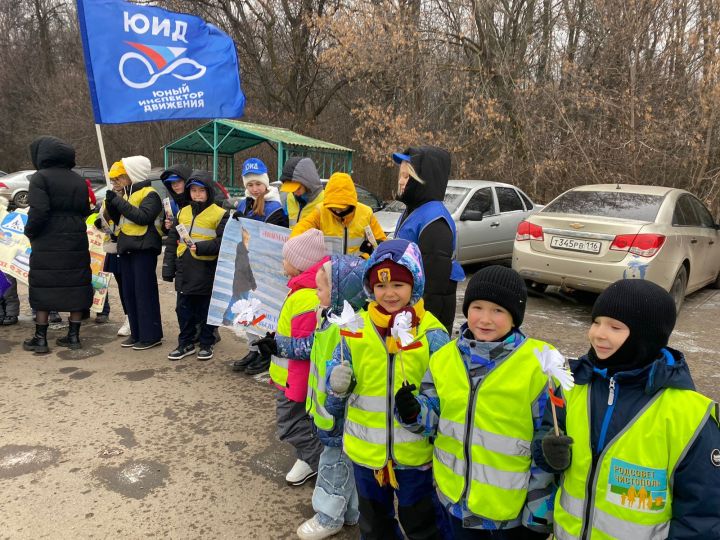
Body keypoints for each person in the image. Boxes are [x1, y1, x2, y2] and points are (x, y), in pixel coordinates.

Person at [533, 279, 720, 539]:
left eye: (615, 327)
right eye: (596, 322)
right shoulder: (574, 385)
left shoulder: (688, 414)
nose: (598, 333)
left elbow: (702, 516)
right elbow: (549, 431)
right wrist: (547, 450)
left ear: (646, 336)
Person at [397, 266, 554, 539]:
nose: (484, 319)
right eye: (477, 307)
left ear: (515, 317)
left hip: (508, 513)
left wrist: (538, 516)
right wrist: (413, 413)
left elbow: (547, 445)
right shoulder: (444, 358)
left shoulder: (538, 364)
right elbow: (433, 423)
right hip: (454, 501)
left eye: (498, 311)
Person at [326, 239, 451, 540]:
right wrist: (336, 385)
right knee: (375, 525)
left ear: (415, 285)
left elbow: (448, 395)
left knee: (422, 522)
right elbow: (335, 377)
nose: (389, 293)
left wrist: (422, 409)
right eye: (380, 286)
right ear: (370, 288)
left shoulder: (432, 333)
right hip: (366, 453)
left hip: (415, 456)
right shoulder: (354, 327)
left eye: (398, 283)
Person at [264, 254, 366, 539]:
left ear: (338, 294)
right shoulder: (329, 318)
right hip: (326, 409)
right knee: (342, 465)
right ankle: (350, 512)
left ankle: (328, 517)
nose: (315, 293)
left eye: (320, 289)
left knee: (333, 466)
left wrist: (334, 406)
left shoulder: (350, 330)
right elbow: (309, 347)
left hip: (337, 414)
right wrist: (277, 345)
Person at [23, 136, 93, 353]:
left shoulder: (39, 178)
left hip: (48, 237)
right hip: (75, 237)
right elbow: (85, 209)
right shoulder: (78, 179)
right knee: (76, 285)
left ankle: (40, 339)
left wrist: (30, 232)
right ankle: (73, 337)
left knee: (44, 284)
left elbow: (39, 211)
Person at [270, 228, 328, 487]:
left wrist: (275, 346)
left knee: (290, 425)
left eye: (286, 258)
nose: (282, 262)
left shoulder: (306, 296)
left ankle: (327, 470)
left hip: (296, 382)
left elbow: (307, 347)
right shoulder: (302, 288)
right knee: (303, 422)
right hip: (290, 378)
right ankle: (311, 459)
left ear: (299, 264)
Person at [391, 147, 464, 333]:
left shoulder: (434, 219)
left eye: (407, 177)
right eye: (401, 175)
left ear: (423, 181)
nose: (400, 181)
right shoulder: (415, 210)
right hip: (409, 306)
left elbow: (433, 285)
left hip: (424, 316)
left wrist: (417, 322)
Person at [231, 157, 288, 373]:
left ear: (266, 183)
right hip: (247, 267)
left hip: (266, 270)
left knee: (263, 310)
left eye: (258, 184)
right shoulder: (244, 204)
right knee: (247, 309)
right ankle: (252, 349)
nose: (254, 189)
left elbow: (275, 240)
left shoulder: (274, 208)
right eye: (250, 184)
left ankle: (266, 353)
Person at [164, 172, 228, 361]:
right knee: (182, 309)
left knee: (206, 309)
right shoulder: (182, 212)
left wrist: (200, 247)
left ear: (209, 192)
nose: (197, 194)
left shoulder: (220, 213)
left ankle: (207, 343)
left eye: (201, 191)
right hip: (184, 268)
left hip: (206, 268)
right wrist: (168, 267)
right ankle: (185, 343)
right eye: (193, 190)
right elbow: (172, 240)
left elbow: (222, 242)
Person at [104, 156, 163, 350]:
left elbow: (143, 217)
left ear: (133, 175)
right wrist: (112, 203)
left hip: (144, 249)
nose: (118, 181)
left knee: (144, 293)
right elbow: (119, 219)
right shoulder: (127, 194)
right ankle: (137, 333)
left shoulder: (150, 194)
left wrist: (118, 202)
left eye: (122, 176)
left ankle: (150, 335)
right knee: (130, 293)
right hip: (127, 248)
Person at [290, 172, 386, 256]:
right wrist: (291, 246)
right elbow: (301, 228)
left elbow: (382, 243)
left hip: (358, 269)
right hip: (328, 269)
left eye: (341, 206)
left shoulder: (366, 213)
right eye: (333, 206)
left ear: (351, 202)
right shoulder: (320, 211)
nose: (337, 210)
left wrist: (368, 254)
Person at [279, 157, 324, 228]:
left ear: (307, 183)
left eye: (298, 188)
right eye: (291, 189)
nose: (294, 193)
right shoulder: (290, 197)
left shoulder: (325, 200)